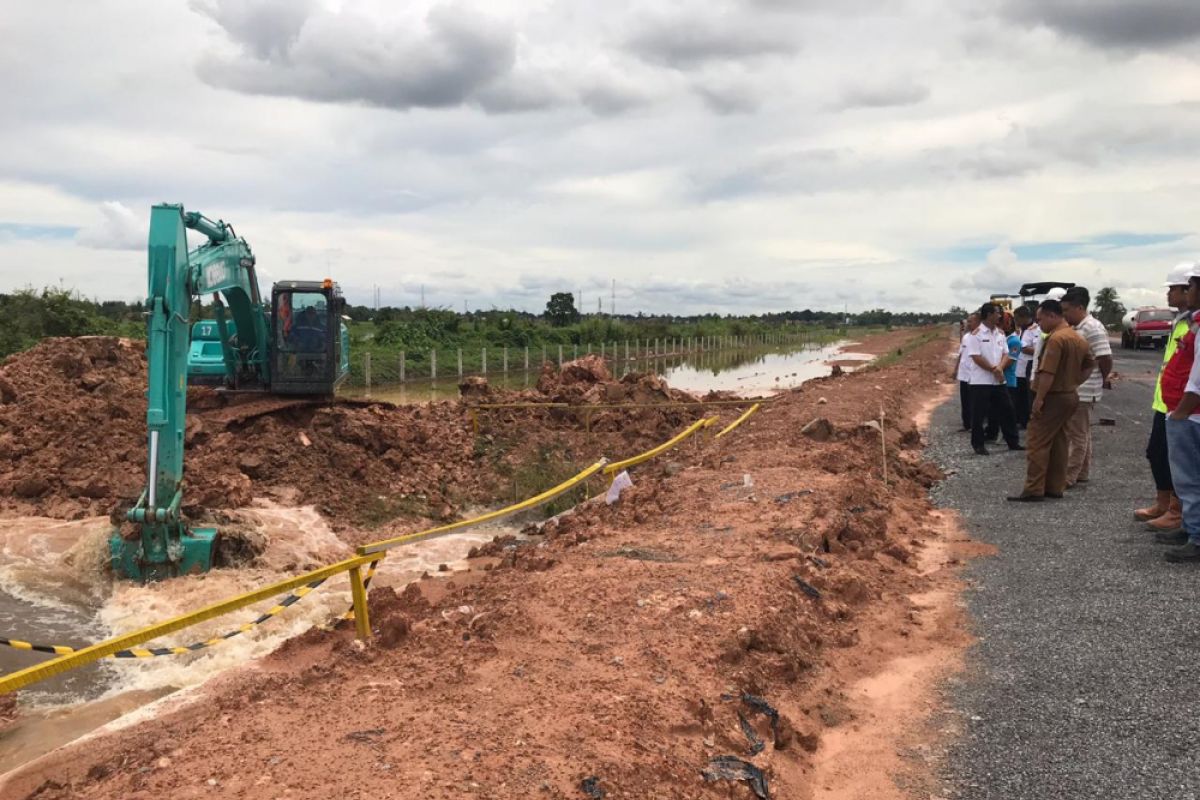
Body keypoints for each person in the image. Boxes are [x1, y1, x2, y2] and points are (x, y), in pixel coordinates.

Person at [1008, 299, 1095, 501]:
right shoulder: (1077, 337)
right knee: (1059, 441)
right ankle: (1055, 487)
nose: (1039, 324)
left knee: (1037, 441)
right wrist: (1074, 382)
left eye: (1040, 319)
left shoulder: (1056, 339)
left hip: (1053, 396)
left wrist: (1038, 399)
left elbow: (1047, 372)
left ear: (1052, 316)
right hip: (1069, 396)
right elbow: (1090, 363)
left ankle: (1034, 489)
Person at [1134, 263, 1194, 529]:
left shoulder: (1193, 323)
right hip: (1166, 401)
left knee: (1179, 460)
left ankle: (1178, 511)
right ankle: (1165, 503)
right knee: (1157, 453)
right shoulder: (1181, 320)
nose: (1169, 294)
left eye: (1174, 289)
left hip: (1185, 404)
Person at [1162, 267, 1200, 562]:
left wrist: (1182, 411)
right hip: (1183, 410)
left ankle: (1197, 537)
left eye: (1190, 287)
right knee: (1185, 478)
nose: (1187, 293)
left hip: (1190, 413)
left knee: (1189, 478)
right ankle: (1189, 527)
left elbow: (1198, 379)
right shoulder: (1193, 323)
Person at [1060, 287, 1114, 488]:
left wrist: (1101, 378)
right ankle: (1082, 472)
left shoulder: (1092, 327)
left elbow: (1105, 357)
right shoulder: (1078, 327)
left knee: (1077, 435)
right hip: (1079, 387)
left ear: (1080, 307)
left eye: (1067, 310)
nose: (1064, 315)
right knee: (1082, 432)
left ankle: (1069, 476)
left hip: (1085, 388)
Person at [964, 303, 1022, 455]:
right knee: (979, 414)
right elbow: (976, 356)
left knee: (1007, 410)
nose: (1000, 316)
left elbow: (1006, 353)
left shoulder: (1000, 334)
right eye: (997, 313)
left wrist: (1000, 368)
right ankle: (978, 445)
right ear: (989, 314)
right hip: (980, 381)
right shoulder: (975, 335)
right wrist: (993, 369)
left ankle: (1013, 441)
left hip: (998, 380)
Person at [952, 312, 980, 432]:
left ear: (978, 322)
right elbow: (961, 354)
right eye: (968, 321)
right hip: (964, 373)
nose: (968, 323)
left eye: (970, 321)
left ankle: (975, 425)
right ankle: (966, 424)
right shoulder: (966, 337)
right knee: (965, 400)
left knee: (974, 401)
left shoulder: (980, 336)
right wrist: (955, 369)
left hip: (974, 374)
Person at [1014, 306, 1038, 427]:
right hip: (1018, 368)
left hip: (1029, 366)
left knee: (1028, 397)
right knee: (1019, 397)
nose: (1016, 321)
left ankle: (1027, 421)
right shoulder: (1020, 330)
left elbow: (1038, 350)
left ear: (1024, 317)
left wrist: (1023, 348)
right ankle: (1020, 420)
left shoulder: (1036, 330)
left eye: (1017, 319)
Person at [1002, 313, 1022, 426]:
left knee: (1008, 411)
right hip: (1000, 378)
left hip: (1008, 380)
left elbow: (1010, 361)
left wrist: (995, 369)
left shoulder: (1014, 341)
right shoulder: (1004, 339)